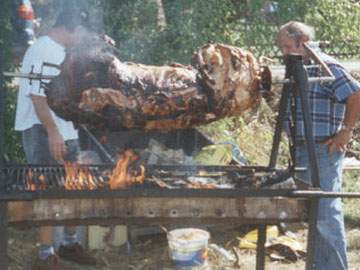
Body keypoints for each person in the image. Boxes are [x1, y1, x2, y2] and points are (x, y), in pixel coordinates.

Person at [14, 8, 97, 270]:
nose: (82, 38)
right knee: (48, 192)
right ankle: (45, 255)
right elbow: (37, 96)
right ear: (71, 28)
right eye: (82, 33)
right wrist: (52, 132)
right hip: (43, 131)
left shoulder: (63, 52)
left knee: (74, 189)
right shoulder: (42, 50)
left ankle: (68, 244)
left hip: (66, 131)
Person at [276, 21, 360, 270]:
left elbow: (355, 95)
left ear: (302, 42)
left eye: (286, 46)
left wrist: (345, 132)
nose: (283, 52)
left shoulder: (328, 66)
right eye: (281, 47)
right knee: (313, 214)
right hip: (302, 149)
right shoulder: (298, 68)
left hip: (323, 150)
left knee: (325, 213)